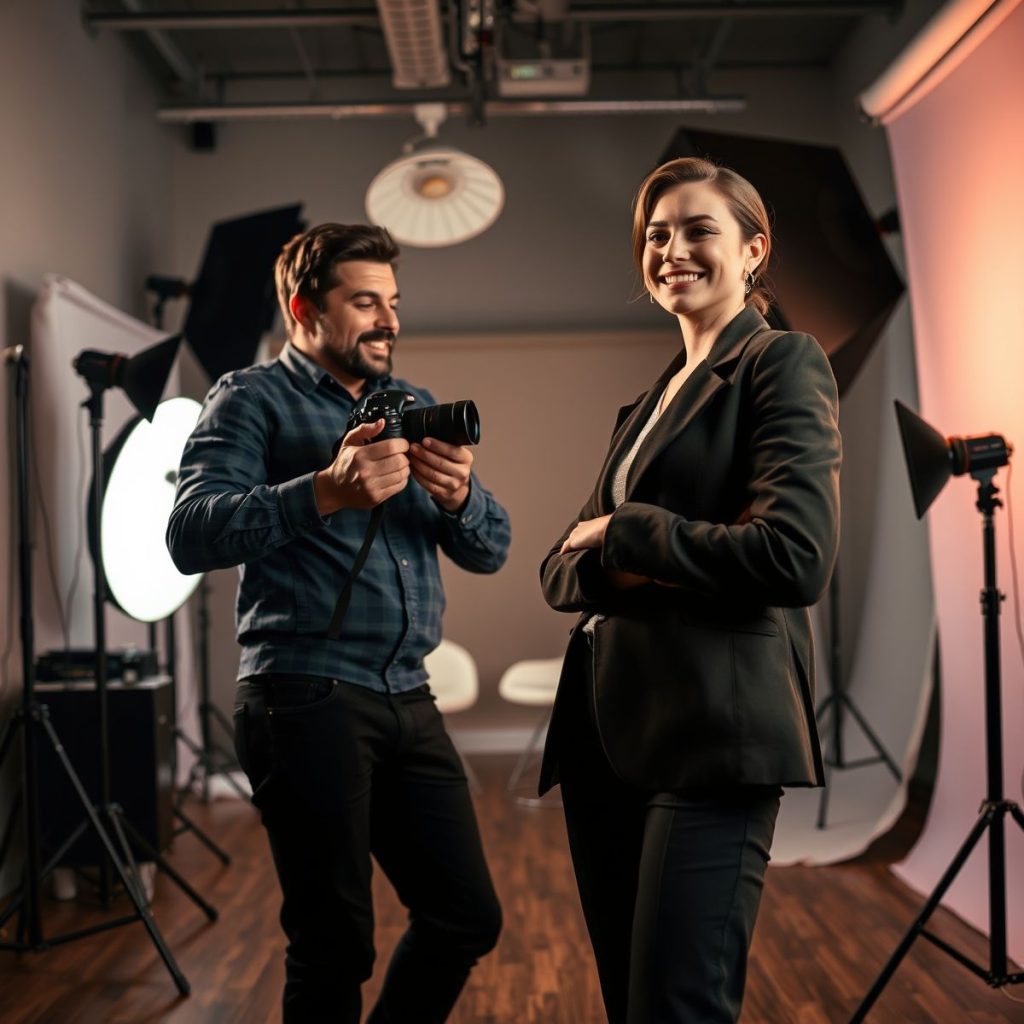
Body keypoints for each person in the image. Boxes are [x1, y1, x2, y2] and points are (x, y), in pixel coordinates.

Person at [167, 222, 509, 1023]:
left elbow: (491, 550)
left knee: (466, 917)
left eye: (393, 302)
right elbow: (190, 533)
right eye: (365, 302)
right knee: (333, 945)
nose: (390, 321)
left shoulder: (412, 406)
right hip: (304, 699)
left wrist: (460, 498)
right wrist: (326, 489)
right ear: (304, 308)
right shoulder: (249, 398)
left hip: (408, 695)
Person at [538, 157, 841, 1023]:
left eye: (699, 229)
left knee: (679, 1007)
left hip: (716, 731)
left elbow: (793, 556)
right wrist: (639, 550)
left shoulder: (780, 362)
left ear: (753, 250)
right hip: (610, 735)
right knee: (632, 1005)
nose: (671, 249)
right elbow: (558, 569)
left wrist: (630, 535)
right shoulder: (647, 403)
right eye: (657, 233)